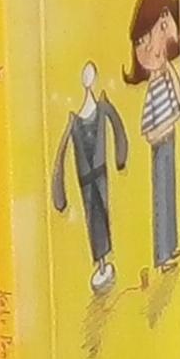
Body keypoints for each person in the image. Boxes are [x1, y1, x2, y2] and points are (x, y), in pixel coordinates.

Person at [54, 62, 124, 294]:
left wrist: (121, 157)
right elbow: (61, 155)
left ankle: (105, 262)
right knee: (93, 218)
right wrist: (59, 195)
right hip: (86, 179)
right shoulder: (74, 122)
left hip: (100, 173)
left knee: (103, 213)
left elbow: (118, 128)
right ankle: (100, 263)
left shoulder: (102, 107)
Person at [129, 0, 180, 277]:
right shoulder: (153, 86)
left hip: (169, 137)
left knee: (170, 192)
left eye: (162, 28)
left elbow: (179, 96)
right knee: (162, 194)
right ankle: (162, 255)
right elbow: (146, 120)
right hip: (159, 141)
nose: (151, 49)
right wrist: (154, 132)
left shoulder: (167, 75)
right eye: (142, 42)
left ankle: (170, 247)